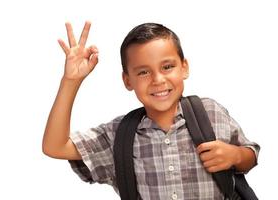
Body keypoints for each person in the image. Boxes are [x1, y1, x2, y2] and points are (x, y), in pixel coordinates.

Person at [42, 21, 260, 199]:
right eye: (144, 72)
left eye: (167, 67)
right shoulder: (119, 136)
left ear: (184, 67)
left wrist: (236, 155)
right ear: (127, 80)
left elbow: (250, 154)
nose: (158, 80)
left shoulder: (209, 112)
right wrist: (71, 81)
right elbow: (55, 147)